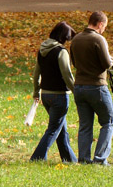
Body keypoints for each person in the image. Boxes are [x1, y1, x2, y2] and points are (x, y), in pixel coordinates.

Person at [70, 11, 113, 165]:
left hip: (79, 87)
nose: (104, 29)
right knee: (109, 121)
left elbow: (74, 63)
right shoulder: (99, 39)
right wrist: (110, 60)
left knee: (85, 125)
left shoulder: (75, 39)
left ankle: (83, 159)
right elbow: (106, 64)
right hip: (96, 87)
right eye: (105, 26)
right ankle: (100, 158)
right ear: (100, 24)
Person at [30, 21, 78, 163]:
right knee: (53, 129)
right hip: (60, 96)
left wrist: (36, 91)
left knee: (61, 130)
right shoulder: (61, 52)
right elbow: (67, 75)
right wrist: (77, 91)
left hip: (46, 95)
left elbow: (36, 74)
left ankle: (70, 160)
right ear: (63, 37)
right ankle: (37, 158)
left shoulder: (42, 50)